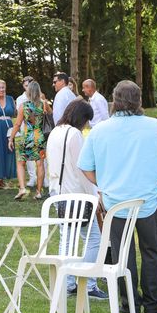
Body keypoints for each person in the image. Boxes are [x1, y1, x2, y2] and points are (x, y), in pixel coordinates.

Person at [78, 80, 157, 313]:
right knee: (152, 251)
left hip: (116, 202)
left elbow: (84, 166)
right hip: (147, 199)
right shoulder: (155, 126)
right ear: (139, 100)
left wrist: (102, 183)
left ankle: (129, 304)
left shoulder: (100, 130)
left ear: (115, 100)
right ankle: (153, 304)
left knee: (122, 254)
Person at [46, 99, 108, 300]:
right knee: (93, 240)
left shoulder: (55, 131)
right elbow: (83, 169)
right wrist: (94, 195)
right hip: (77, 195)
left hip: (59, 193)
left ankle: (69, 283)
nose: (86, 125)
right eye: (86, 121)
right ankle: (88, 283)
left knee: (67, 240)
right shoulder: (74, 134)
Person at [8, 81, 51, 200]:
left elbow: (17, 124)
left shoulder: (24, 106)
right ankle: (38, 191)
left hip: (27, 137)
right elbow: (51, 116)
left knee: (21, 162)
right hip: (40, 138)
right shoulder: (44, 104)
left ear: (28, 92)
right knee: (40, 164)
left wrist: (11, 138)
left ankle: (22, 188)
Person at [16, 76, 37, 188]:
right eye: (25, 85)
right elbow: (20, 116)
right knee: (28, 155)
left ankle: (44, 179)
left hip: (39, 130)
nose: (28, 87)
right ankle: (32, 177)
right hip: (26, 130)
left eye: (30, 85)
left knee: (42, 156)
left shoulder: (39, 96)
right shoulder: (20, 99)